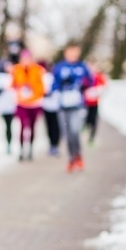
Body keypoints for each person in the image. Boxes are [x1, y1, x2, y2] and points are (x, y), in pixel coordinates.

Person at [52, 41, 93, 172]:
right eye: (71, 52)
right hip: (63, 106)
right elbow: (54, 84)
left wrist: (82, 84)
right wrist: (58, 89)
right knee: (67, 134)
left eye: (75, 52)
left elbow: (90, 81)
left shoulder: (82, 67)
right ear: (66, 52)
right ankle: (71, 158)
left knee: (75, 131)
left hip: (77, 105)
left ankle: (78, 155)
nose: (73, 54)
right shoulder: (59, 67)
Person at [11, 49, 45, 161]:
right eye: (24, 59)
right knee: (22, 125)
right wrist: (19, 90)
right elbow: (13, 84)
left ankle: (30, 149)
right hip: (21, 103)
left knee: (32, 126)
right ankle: (21, 150)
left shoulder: (38, 69)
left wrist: (33, 91)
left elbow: (41, 87)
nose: (26, 61)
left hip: (34, 103)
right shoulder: (16, 69)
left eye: (28, 59)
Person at [0, 60, 18, 154]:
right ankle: (5, 143)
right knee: (5, 125)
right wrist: (3, 89)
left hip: (12, 106)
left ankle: (9, 144)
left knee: (9, 126)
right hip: (3, 106)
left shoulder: (15, 76)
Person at [83, 61, 107, 146]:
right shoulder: (85, 76)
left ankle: (92, 138)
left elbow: (104, 87)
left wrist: (96, 91)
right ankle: (85, 125)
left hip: (95, 103)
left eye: (93, 67)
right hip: (84, 103)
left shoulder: (99, 76)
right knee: (86, 117)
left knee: (94, 119)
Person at [41, 63, 61, 156]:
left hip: (55, 106)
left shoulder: (55, 77)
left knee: (55, 126)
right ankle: (52, 145)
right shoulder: (43, 77)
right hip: (46, 106)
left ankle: (55, 145)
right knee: (50, 126)